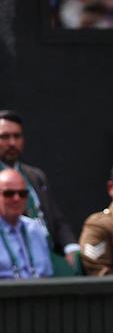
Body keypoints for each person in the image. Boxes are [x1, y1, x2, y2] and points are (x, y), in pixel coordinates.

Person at [0, 111, 81, 268]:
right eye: (4, 137)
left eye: (17, 137)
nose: (12, 143)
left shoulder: (35, 175)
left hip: (49, 253)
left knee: (79, 273)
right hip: (13, 259)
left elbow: (56, 219)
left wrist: (71, 247)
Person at [0, 167, 53, 279]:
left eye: (22, 193)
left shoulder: (35, 229)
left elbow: (47, 276)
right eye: (9, 194)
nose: (16, 199)